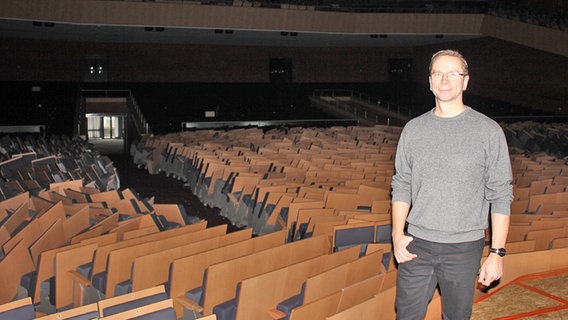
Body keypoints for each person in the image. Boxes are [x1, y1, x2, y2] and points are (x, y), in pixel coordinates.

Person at [390, 49, 513, 320]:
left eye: (453, 73)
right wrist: (397, 235)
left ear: (465, 81)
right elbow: (401, 184)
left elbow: (501, 194)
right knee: (406, 315)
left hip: (464, 247)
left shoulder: (488, 131)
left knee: (457, 316)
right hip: (416, 244)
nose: (445, 80)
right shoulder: (413, 129)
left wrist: (497, 253)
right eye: (438, 73)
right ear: (430, 81)